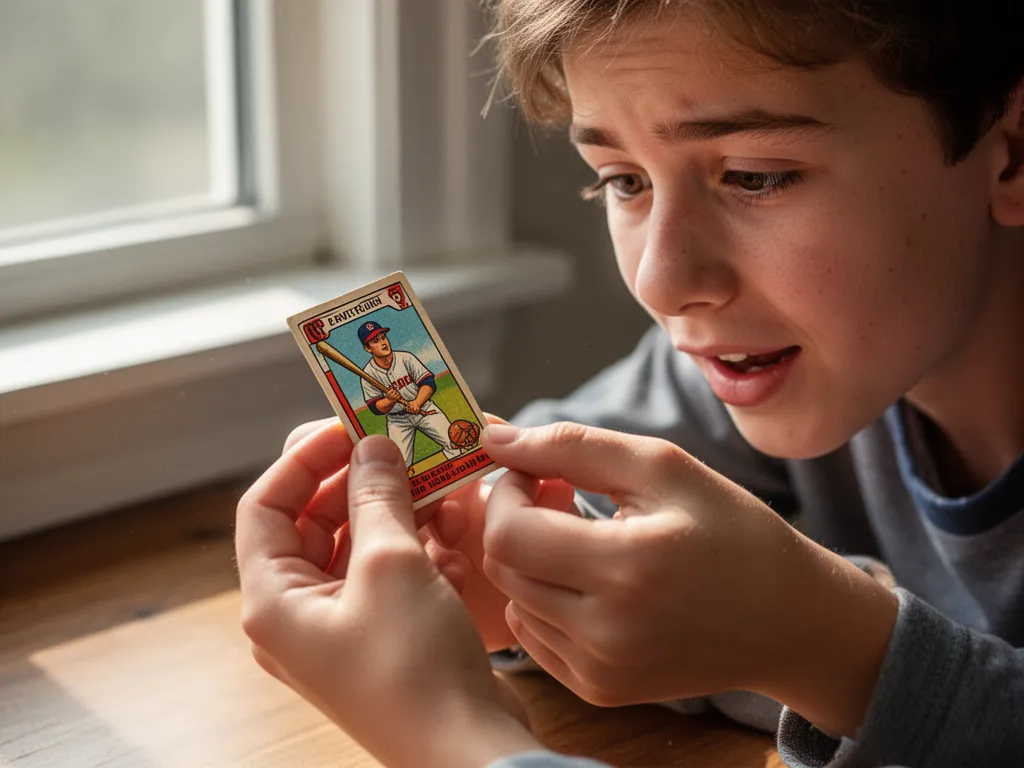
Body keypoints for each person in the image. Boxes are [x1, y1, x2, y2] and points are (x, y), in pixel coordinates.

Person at [237, 0, 1024, 765]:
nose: (662, 279)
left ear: (1013, 151)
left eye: (754, 177)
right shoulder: (766, 359)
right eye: (622, 181)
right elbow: (556, 477)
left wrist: (841, 650)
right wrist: (512, 579)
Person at [357, 320, 462, 470]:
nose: (383, 343)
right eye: (376, 341)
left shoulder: (405, 358)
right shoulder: (367, 374)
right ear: (368, 348)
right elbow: (375, 408)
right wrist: (389, 401)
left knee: (454, 443)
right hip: (398, 421)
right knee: (400, 465)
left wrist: (417, 402)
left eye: (383, 337)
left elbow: (428, 382)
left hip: (425, 409)